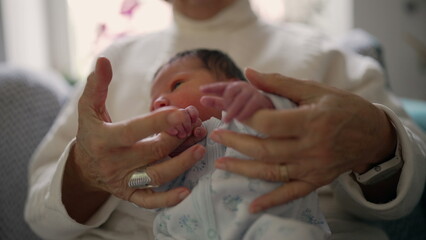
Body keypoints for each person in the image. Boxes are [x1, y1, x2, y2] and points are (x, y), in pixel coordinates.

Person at [24, 0, 426, 239]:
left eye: (178, 83)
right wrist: (87, 172)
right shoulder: (113, 61)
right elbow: (39, 213)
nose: (160, 98)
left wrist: (375, 140)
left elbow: (411, 191)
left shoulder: (327, 56)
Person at [149, 48, 330, 239]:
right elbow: (151, 193)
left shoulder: (247, 121)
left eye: (176, 85)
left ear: (231, 87)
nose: (158, 103)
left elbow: (290, 124)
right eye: (152, 106)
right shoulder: (169, 157)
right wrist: (160, 154)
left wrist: (260, 103)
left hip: (265, 225)